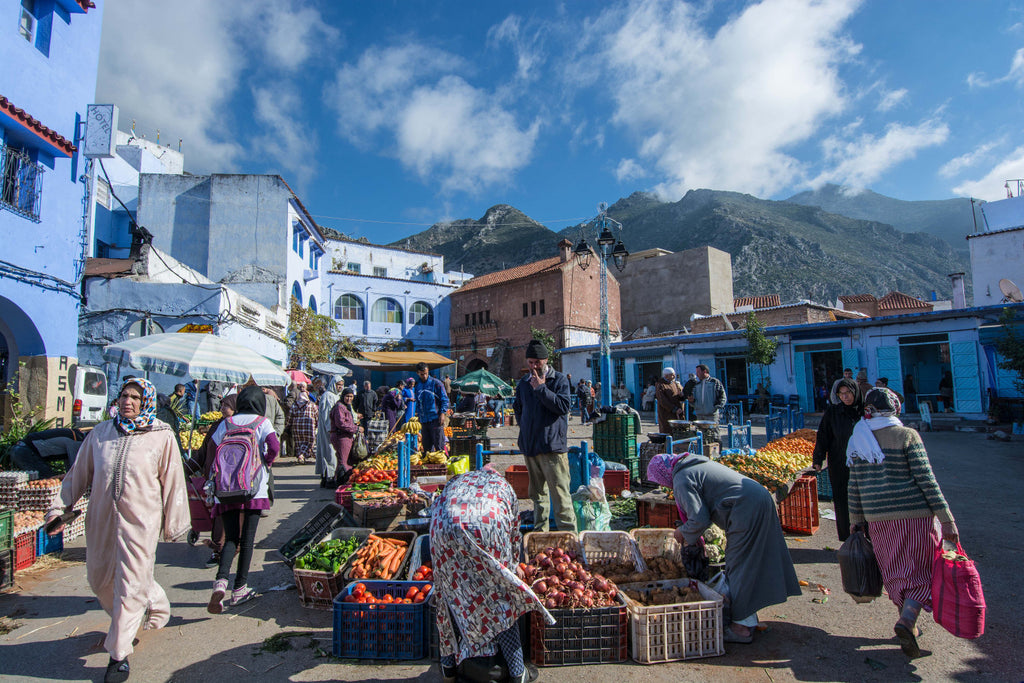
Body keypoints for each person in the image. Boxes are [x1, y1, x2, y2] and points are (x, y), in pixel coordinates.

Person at [45, 378, 189, 683]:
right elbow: (77, 475)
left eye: (136, 397)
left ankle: (118, 654)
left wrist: (176, 524)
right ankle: (155, 603)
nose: (128, 401)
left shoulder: (161, 436)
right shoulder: (101, 434)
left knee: (130, 585)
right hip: (101, 520)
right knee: (99, 578)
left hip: (141, 522)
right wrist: (58, 509)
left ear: (146, 401)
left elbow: (174, 481)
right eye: (124, 395)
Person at [846, 387, 959, 659]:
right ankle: (907, 621)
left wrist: (856, 521)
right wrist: (947, 520)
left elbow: (854, 486)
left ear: (868, 410)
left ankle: (910, 626)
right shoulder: (906, 435)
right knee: (921, 572)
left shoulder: (859, 439)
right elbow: (926, 480)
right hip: (914, 516)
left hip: (878, 519)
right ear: (895, 408)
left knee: (896, 571)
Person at [646, 452, 801, 645]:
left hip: (746, 509)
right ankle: (747, 618)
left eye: (660, 481)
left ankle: (741, 629)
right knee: (752, 561)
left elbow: (699, 518)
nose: (663, 485)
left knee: (739, 564)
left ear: (663, 474)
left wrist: (682, 532)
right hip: (756, 500)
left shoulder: (681, 478)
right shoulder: (692, 465)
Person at [432, 468, 550, 683]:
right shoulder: (505, 488)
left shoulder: (457, 482)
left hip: (444, 527)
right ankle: (517, 673)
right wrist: (513, 569)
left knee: (447, 595)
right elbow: (514, 537)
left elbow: (438, 506)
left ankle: (448, 668)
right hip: (488, 525)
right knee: (503, 600)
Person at [207, 385, 280, 615]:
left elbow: (215, 447)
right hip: (253, 489)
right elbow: (275, 448)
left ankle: (220, 581)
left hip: (227, 488)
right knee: (247, 542)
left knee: (231, 539)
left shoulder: (226, 423)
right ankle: (239, 589)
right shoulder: (261, 422)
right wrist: (265, 463)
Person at [513, 340, 574, 532]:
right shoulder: (523, 384)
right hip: (531, 447)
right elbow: (518, 410)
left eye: (537, 362)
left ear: (546, 360)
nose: (533, 366)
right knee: (537, 496)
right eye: (530, 362)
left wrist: (541, 388)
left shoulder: (559, 380)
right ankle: (541, 534)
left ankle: (569, 536)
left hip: (552, 448)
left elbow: (563, 407)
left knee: (560, 496)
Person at [812, 378, 861, 542]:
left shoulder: (864, 412)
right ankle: (848, 539)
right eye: (841, 394)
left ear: (855, 392)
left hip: (863, 465)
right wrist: (818, 458)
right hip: (839, 462)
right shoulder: (833, 412)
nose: (845, 397)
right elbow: (823, 435)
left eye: (848, 393)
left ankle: (866, 537)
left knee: (863, 500)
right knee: (842, 499)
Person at [191, 393, 238, 567]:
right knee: (219, 515)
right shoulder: (217, 426)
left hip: (233, 480)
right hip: (215, 478)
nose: (221, 408)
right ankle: (221, 549)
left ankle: (223, 551)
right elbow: (203, 451)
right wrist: (187, 468)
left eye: (225, 405)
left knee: (228, 517)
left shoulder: (239, 427)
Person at [9, 427, 86, 478]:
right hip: (25, 451)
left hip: (20, 449)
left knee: (42, 483)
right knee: (47, 483)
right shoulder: (77, 441)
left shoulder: (74, 436)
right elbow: (75, 471)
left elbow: (70, 469)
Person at [415, 362, 451, 453]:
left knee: (439, 446)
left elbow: (445, 400)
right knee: (426, 448)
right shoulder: (417, 386)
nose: (424, 376)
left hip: (435, 419)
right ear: (418, 373)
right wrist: (418, 415)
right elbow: (418, 402)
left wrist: (442, 413)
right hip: (424, 421)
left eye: (426, 373)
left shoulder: (436, 383)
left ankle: (442, 465)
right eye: (422, 374)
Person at [315, 375, 343, 487]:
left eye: (341, 385)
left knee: (331, 454)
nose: (340, 387)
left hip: (333, 430)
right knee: (329, 454)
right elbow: (327, 415)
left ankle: (328, 477)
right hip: (329, 431)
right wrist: (331, 429)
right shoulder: (328, 396)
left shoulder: (336, 396)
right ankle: (328, 478)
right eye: (338, 385)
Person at [330, 387, 359, 485]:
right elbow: (341, 423)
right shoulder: (340, 407)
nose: (349, 399)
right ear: (343, 396)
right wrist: (355, 429)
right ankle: (341, 482)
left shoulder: (346, 406)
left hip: (346, 436)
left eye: (351, 397)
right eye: (347, 396)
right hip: (341, 436)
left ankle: (337, 480)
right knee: (343, 461)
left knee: (342, 460)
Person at [287, 382, 318, 464]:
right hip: (309, 427)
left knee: (299, 442)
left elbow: (290, 416)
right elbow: (317, 415)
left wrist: (288, 425)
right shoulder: (311, 405)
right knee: (309, 442)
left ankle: (301, 455)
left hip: (297, 427)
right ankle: (303, 455)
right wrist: (317, 425)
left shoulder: (294, 405)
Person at [655, 368, 685, 434]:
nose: (674, 376)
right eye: (672, 375)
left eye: (674, 375)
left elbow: (678, 396)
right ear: (666, 376)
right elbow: (663, 400)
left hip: (677, 412)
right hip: (666, 413)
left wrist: (681, 396)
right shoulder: (660, 385)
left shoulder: (675, 384)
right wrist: (674, 409)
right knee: (667, 431)